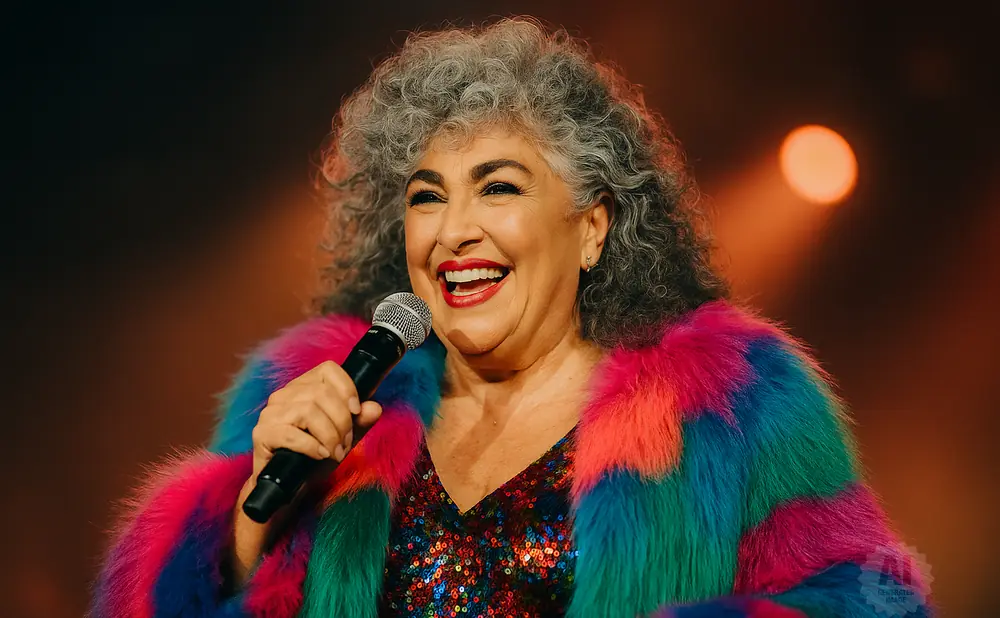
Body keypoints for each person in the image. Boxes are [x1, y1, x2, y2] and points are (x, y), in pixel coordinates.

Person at [90, 17, 933, 618]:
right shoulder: (315, 396)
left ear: (593, 227)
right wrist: (245, 522)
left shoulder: (733, 405)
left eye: (498, 185)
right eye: (427, 197)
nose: (454, 229)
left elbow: (870, 602)